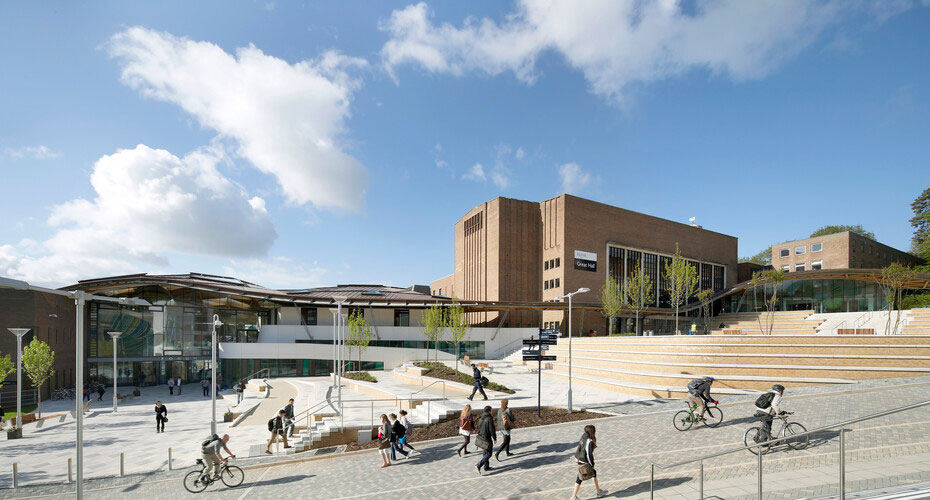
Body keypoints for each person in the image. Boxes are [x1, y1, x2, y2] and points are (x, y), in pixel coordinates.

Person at [571, 425, 607, 500]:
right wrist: (592, 464)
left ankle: (574, 496)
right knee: (583, 477)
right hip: (584, 461)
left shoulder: (583, 436)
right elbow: (589, 454)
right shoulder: (589, 441)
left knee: (583, 476)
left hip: (578, 458)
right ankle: (598, 492)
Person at [475, 405, 497, 475]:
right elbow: (492, 429)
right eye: (492, 410)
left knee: (485, 452)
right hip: (487, 438)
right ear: (489, 411)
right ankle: (478, 465)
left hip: (481, 437)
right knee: (489, 453)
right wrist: (494, 438)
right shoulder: (489, 418)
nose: (492, 411)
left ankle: (486, 466)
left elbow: (479, 427)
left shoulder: (482, 417)